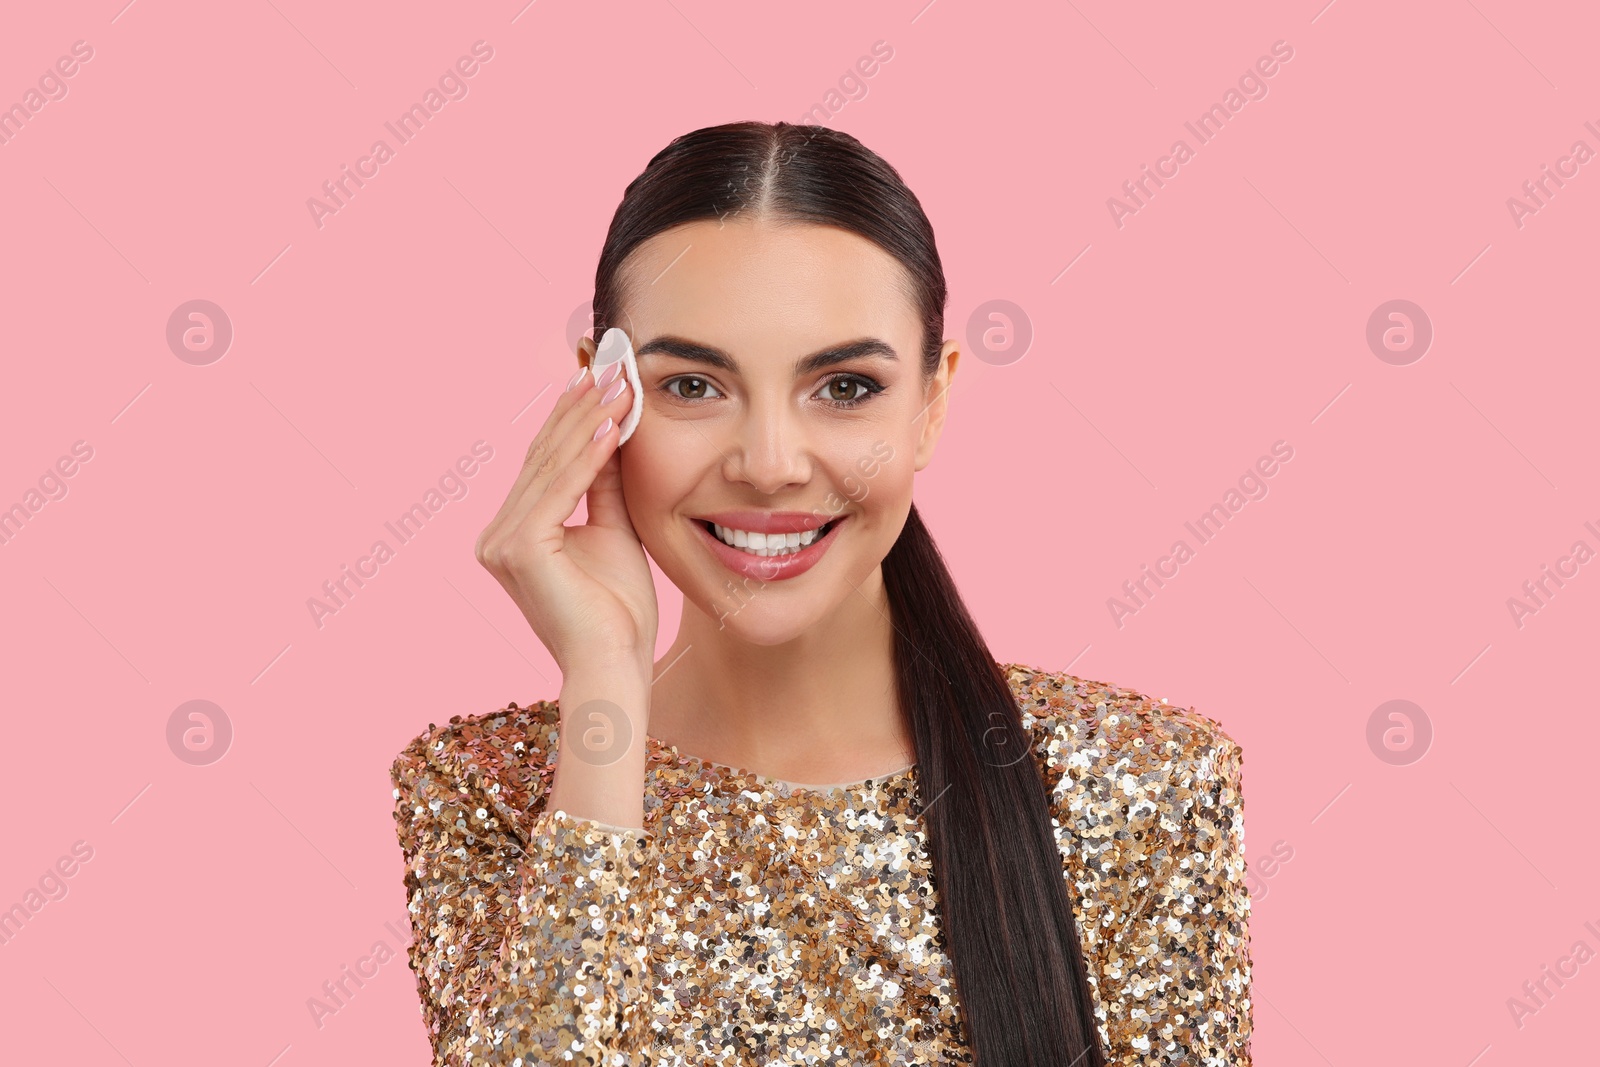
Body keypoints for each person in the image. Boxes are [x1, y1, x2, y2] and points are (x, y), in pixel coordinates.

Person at [389, 120, 1253, 1066]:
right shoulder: (489, 791)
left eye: (844, 387)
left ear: (930, 405)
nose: (769, 466)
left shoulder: (1138, 788)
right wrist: (605, 681)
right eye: (692, 384)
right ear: (602, 400)